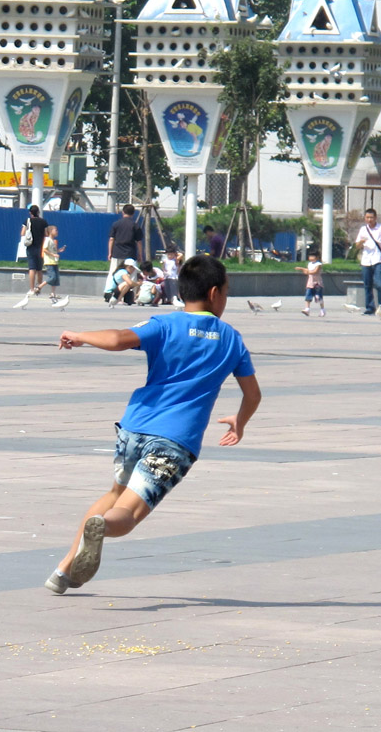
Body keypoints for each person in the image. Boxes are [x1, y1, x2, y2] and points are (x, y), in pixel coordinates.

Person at [45, 255, 261, 594]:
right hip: (174, 443)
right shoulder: (232, 339)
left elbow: (118, 339)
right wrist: (240, 421)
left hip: (134, 428)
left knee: (116, 491)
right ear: (216, 293)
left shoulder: (166, 324)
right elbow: (253, 394)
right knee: (126, 515)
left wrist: (80, 335)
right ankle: (102, 527)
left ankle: (63, 570)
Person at [354, 208, 381, 315]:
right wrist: (361, 242)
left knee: (380, 284)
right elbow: (357, 246)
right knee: (367, 284)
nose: (369, 220)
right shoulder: (363, 230)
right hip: (366, 260)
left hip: (378, 259)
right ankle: (370, 307)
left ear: (375, 218)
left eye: (371, 217)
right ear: (365, 218)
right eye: (367, 217)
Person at [105, 204, 143, 294]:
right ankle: (129, 295)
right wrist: (140, 254)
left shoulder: (116, 224)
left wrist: (110, 253)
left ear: (123, 212)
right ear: (133, 214)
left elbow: (111, 239)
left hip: (117, 253)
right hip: (130, 254)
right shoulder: (135, 226)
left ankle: (109, 292)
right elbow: (139, 242)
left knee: (113, 273)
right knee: (132, 275)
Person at [22, 205, 50, 295]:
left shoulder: (27, 221)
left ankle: (31, 289)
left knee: (32, 268)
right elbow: (46, 234)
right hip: (41, 247)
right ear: (38, 212)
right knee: (39, 269)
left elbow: (22, 233)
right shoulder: (43, 222)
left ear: (30, 213)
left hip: (30, 247)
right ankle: (39, 288)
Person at [36, 225, 66, 299]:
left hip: (54, 262)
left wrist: (59, 251)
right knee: (52, 277)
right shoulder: (48, 240)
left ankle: (53, 293)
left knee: (56, 278)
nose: (57, 232)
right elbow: (45, 250)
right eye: (55, 230)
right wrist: (53, 254)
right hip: (49, 262)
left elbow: (53, 251)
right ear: (50, 231)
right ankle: (39, 287)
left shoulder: (53, 241)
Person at [295, 249, 325, 317]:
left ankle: (322, 310)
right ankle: (307, 309)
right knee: (308, 296)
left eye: (313, 256)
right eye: (310, 256)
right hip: (310, 283)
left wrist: (303, 269)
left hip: (317, 283)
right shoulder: (309, 264)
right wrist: (304, 270)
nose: (311, 257)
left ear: (317, 257)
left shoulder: (319, 264)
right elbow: (308, 272)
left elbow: (314, 272)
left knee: (319, 297)